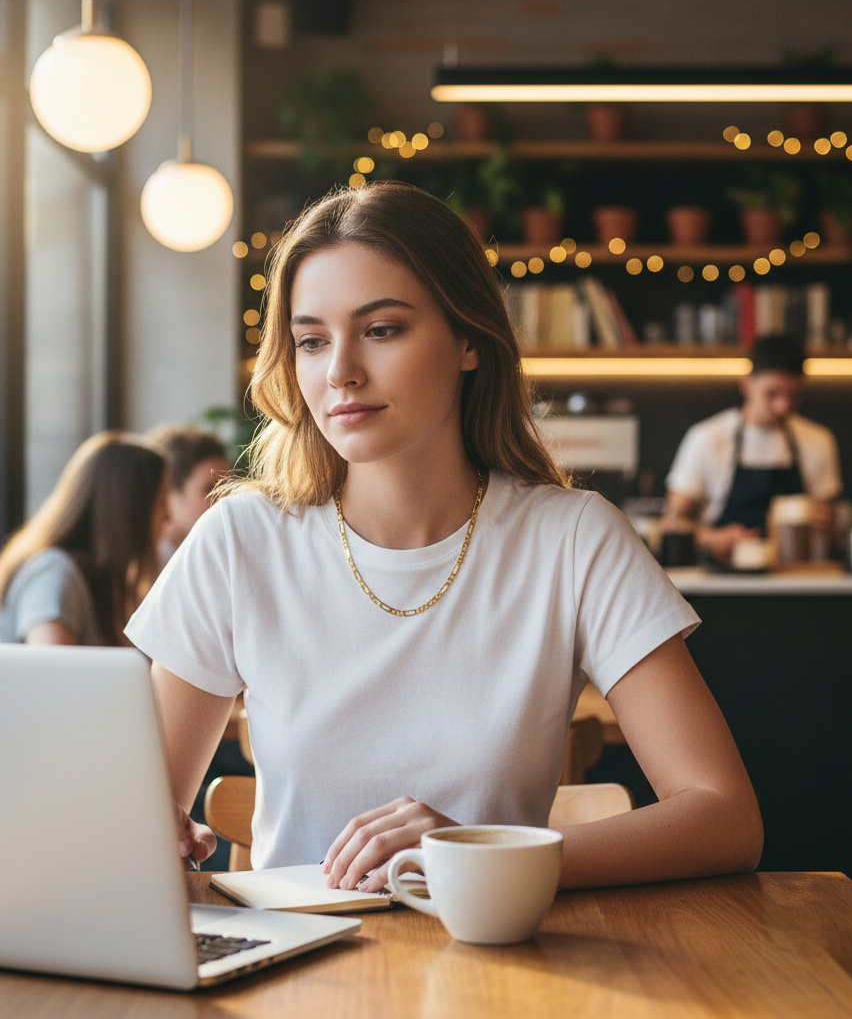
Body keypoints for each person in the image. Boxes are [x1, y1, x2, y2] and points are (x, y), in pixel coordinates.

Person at [125, 181, 763, 892]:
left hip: (503, 971)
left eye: (382, 329)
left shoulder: (573, 540)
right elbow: (134, 822)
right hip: (291, 977)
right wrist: (148, 833)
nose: (339, 372)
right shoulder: (239, 543)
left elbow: (725, 817)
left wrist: (482, 855)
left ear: (467, 340)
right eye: (311, 341)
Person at [0, 432, 168, 646]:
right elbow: (53, 674)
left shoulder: (97, 583)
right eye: (160, 502)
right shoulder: (54, 574)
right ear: (129, 511)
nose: (168, 517)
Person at [664, 336, 842, 563]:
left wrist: (824, 522)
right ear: (746, 384)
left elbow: (832, 522)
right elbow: (672, 522)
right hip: (723, 581)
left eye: (794, 396)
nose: (783, 406)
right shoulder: (707, 438)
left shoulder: (818, 440)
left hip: (797, 578)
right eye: (772, 394)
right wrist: (712, 538)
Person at [146, 425, 229, 561]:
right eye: (209, 489)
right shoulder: (145, 573)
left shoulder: (217, 558)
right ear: (167, 492)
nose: (223, 500)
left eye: (227, 489)